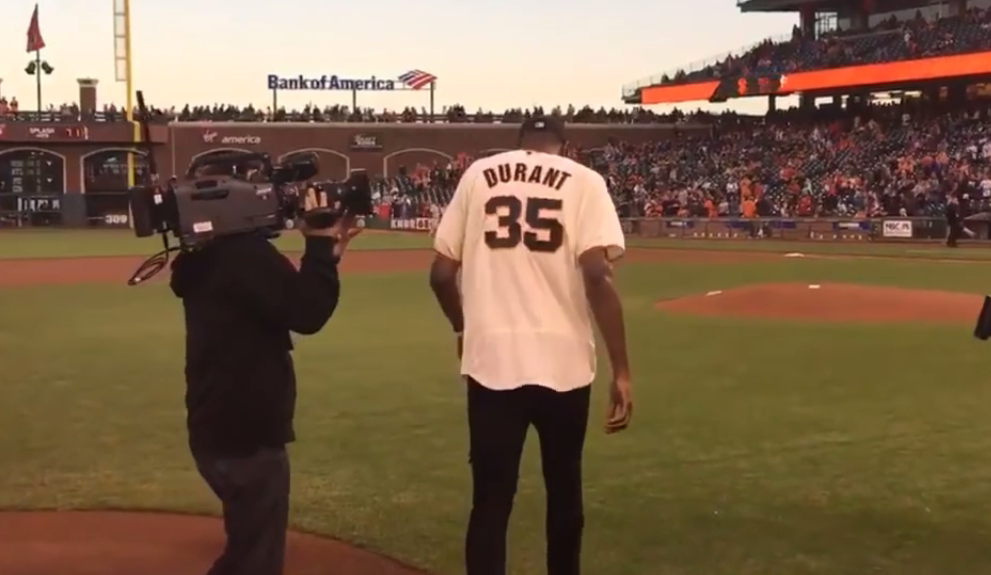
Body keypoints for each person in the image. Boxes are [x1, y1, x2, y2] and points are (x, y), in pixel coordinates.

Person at [429, 116, 633, 575]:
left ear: (520, 143)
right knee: (564, 494)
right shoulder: (584, 181)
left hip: (492, 361)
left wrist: (465, 329)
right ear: (563, 145)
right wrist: (622, 370)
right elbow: (598, 274)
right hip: (565, 363)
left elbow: (441, 274)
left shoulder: (479, 175)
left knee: (491, 502)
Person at [168, 189, 362, 575]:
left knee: (245, 548)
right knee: (256, 559)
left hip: (215, 424)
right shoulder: (244, 255)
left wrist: (324, 256)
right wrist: (320, 247)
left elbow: (278, 300)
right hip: (248, 431)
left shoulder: (204, 256)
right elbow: (307, 312)